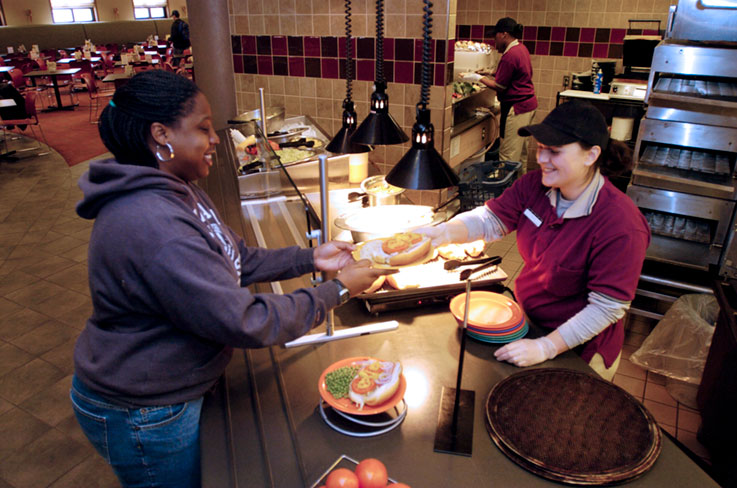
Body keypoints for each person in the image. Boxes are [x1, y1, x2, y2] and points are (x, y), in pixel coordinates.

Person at [69, 70, 391, 488]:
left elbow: (235, 256)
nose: (217, 139)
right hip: (145, 411)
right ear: (161, 134)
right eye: (203, 129)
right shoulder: (154, 224)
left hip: (170, 387)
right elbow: (245, 320)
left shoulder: (178, 187)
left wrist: (311, 257)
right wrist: (339, 288)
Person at [419, 101, 650, 381]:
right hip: (528, 321)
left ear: (591, 155)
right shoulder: (534, 186)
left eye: (554, 151)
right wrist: (442, 233)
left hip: (580, 347)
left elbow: (606, 307)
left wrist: (547, 346)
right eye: (541, 148)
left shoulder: (621, 224)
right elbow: (490, 220)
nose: (542, 159)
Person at [460, 17, 537, 169]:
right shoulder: (521, 49)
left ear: (504, 34)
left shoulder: (510, 55)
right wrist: (490, 72)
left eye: (495, 35)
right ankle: (521, 190)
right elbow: (514, 74)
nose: (494, 40)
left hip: (517, 108)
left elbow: (500, 86)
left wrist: (478, 77)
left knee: (508, 159)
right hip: (528, 106)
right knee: (520, 156)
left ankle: (507, 191)